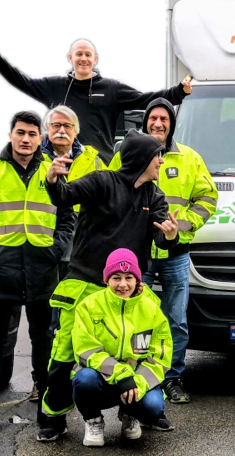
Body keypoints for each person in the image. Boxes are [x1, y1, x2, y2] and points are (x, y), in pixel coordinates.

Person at [38, 133, 175, 440]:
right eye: (157, 155)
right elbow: (64, 196)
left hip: (130, 291)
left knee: (137, 351)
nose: (161, 161)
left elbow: (162, 236)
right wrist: (53, 180)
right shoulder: (102, 181)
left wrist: (169, 235)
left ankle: (135, 410)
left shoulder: (154, 195)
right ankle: (53, 416)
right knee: (64, 354)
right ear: (141, 159)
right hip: (85, 284)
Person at [0, 108, 74, 433]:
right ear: (9, 135)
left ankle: (46, 410)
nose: (26, 139)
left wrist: (55, 251)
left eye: (32, 134)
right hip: (4, 268)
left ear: (41, 138)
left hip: (42, 268)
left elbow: (67, 218)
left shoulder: (53, 172)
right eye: (20, 133)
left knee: (43, 342)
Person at [108, 97, 218, 406]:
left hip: (176, 253)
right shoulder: (125, 155)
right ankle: (136, 376)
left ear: (172, 124)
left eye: (164, 119)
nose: (158, 123)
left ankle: (172, 377)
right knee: (134, 317)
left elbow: (208, 198)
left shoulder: (190, 158)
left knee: (176, 320)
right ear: (145, 122)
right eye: (153, 118)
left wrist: (181, 226)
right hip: (137, 255)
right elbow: (112, 192)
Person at [0, 35, 193, 151]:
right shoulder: (55, 85)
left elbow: (147, 98)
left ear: (95, 59)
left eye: (88, 55)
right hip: (62, 165)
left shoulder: (112, 88)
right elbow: (22, 82)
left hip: (99, 165)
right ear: (70, 58)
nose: (83, 59)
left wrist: (178, 92)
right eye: (79, 54)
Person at [71, 249, 173, 447]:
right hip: (101, 377)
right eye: (116, 278)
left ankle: (129, 414)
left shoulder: (151, 309)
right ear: (106, 280)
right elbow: (86, 349)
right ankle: (93, 420)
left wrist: (136, 383)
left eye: (129, 277)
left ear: (137, 280)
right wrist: (121, 374)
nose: (123, 284)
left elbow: (160, 357)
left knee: (154, 406)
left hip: (134, 380)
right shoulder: (88, 305)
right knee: (84, 380)